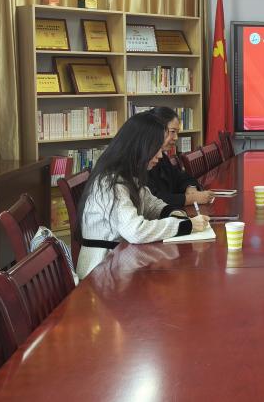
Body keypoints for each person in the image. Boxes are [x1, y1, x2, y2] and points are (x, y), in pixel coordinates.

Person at [76, 112, 211, 279]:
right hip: (100, 274)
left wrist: (174, 213)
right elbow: (136, 230)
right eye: (156, 149)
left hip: (120, 264)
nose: (160, 156)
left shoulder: (128, 176)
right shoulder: (110, 184)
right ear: (139, 147)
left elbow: (151, 204)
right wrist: (186, 225)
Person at [144, 107, 214, 207]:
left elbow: (181, 177)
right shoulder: (144, 161)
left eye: (177, 132)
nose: (176, 138)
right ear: (157, 129)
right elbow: (153, 199)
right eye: (172, 132)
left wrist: (191, 188)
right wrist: (192, 199)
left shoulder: (163, 157)